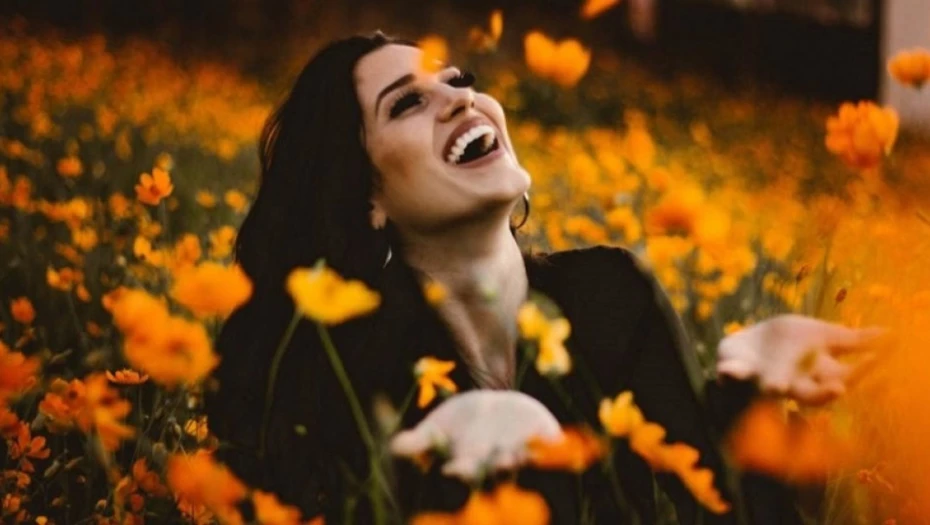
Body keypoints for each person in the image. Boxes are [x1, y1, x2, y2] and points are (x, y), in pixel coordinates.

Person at [206, 32, 876, 524]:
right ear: (366, 198)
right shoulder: (353, 378)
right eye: (407, 103)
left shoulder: (612, 296)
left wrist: (748, 392)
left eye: (458, 79)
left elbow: (723, 508)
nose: (460, 98)